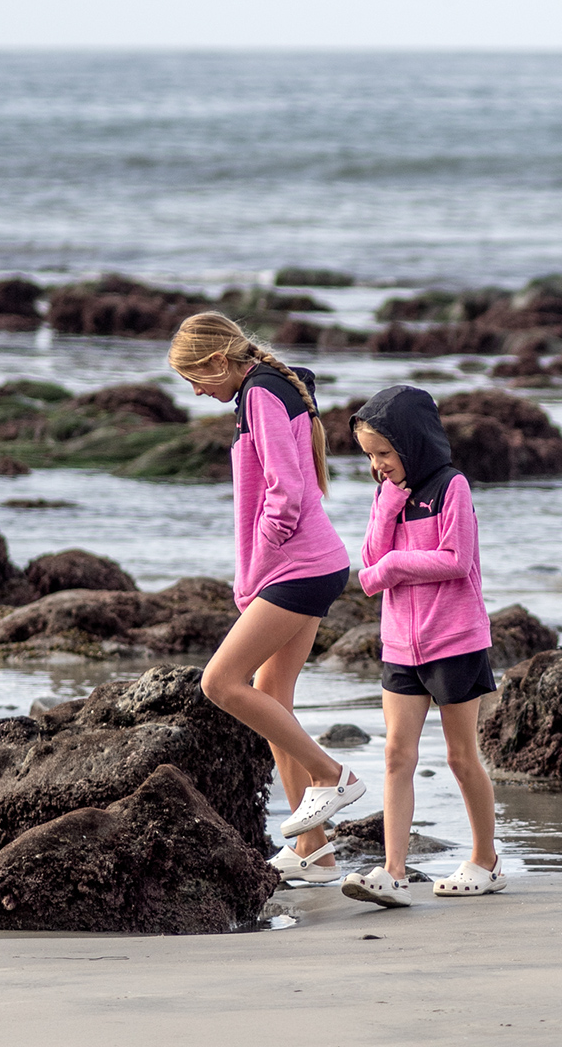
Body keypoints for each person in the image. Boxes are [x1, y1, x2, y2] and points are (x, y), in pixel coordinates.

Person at [168, 311, 365, 884]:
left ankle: (333, 775)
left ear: (217, 361)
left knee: (218, 683)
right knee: (270, 693)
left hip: (299, 567)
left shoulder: (258, 394)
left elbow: (287, 488)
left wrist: (266, 550)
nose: (198, 392)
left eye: (195, 379)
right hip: (309, 564)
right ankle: (315, 850)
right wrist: (253, 572)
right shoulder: (265, 390)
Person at [340, 385, 505, 908]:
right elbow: (369, 555)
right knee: (395, 754)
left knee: (460, 757)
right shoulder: (386, 491)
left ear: (411, 443)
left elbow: (455, 558)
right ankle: (392, 872)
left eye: (384, 453)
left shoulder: (450, 485)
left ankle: (486, 860)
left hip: (454, 640)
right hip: (399, 646)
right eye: (370, 455)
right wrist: (388, 501)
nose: (377, 464)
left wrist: (391, 569)